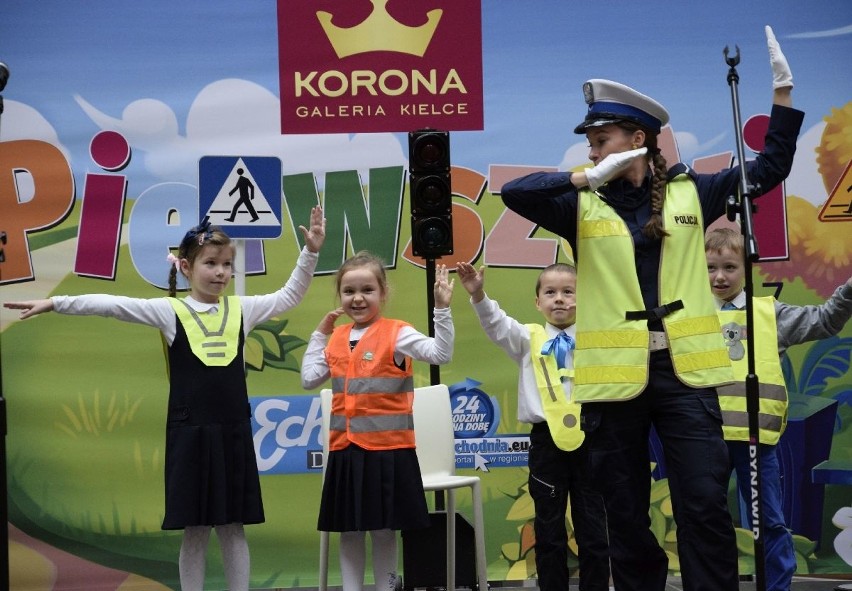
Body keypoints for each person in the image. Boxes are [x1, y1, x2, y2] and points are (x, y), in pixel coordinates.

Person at [499, 25, 803, 591]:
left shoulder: (695, 191)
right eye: (590, 143)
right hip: (615, 386)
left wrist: (781, 97)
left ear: (637, 138)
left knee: (705, 501)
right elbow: (515, 194)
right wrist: (585, 175)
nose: (593, 149)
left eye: (602, 140)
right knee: (625, 510)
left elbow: (768, 169)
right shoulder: (579, 203)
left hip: (686, 376)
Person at [4, 206, 326, 591]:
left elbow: (291, 294)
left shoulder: (244, 309)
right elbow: (112, 306)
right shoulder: (170, 311)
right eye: (211, 263)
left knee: (233, 526)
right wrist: (56, 302)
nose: (221, 272)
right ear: (187, 268)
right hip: (189, 435)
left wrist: (310, 252)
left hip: (232, 433)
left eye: (227, 264)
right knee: (194, 529)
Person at [706, 226, 852, 591]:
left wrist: (849, 291)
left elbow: (825, 320)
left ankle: (778, 588)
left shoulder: (770, 314)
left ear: (747, 269)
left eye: (729, 267)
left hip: (756, 439)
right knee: (706, 520)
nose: (720, 276)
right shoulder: (689, 318)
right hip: (703, 438)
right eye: (710, 268)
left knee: (768, 519)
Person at [300, 251, 455, 591]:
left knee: (384, 529)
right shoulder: (337, 338)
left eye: (367, 290)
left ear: (383, 293)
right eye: (349, 291)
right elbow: (309, 378)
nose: (358, 298)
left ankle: (388, 585)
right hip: (346, 451)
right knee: (350, 530)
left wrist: (441, 309)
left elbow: (440, 354)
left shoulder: (397, 333)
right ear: (339, 295)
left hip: (388, 452)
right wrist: (319, 335)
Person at [457, 261, 610, 591]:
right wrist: (479, 293)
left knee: (594, 528)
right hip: (546, 444)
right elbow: (497, 325)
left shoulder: (597, 338)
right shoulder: (528, 338)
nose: (559, 300)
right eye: (550, 292)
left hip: (592, 436)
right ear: (537, 302)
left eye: (569, 292)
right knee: (549, 528)